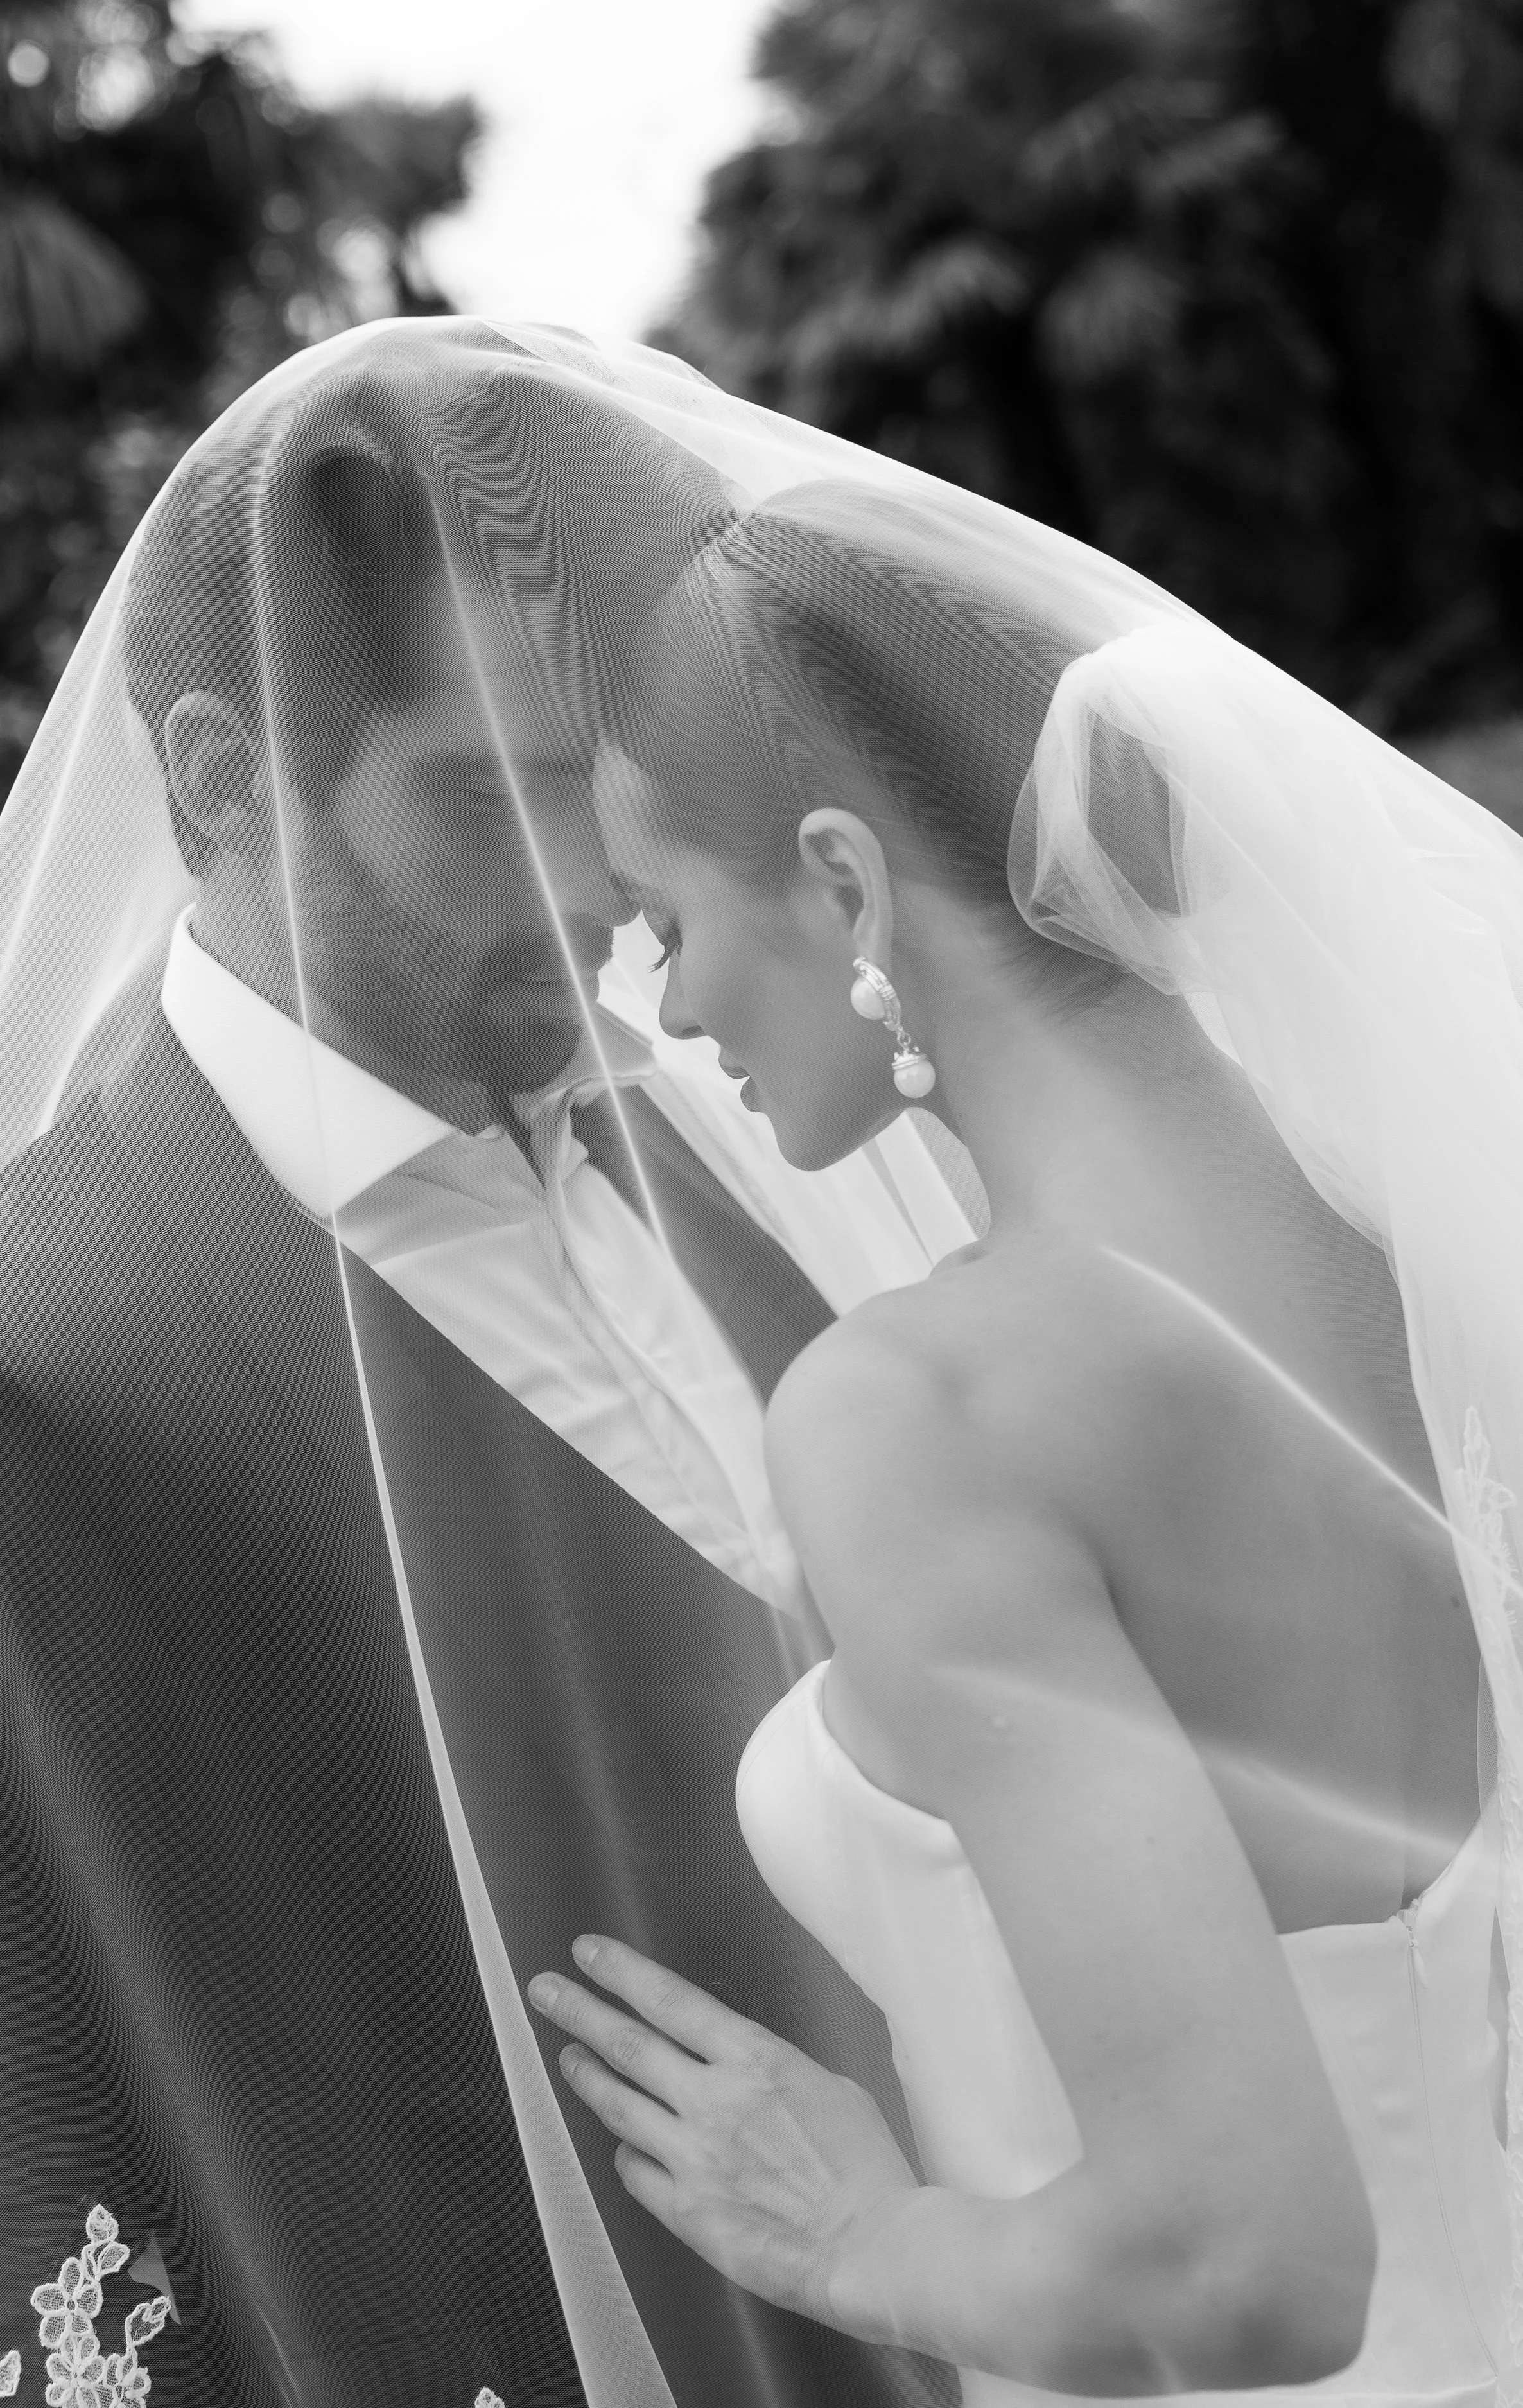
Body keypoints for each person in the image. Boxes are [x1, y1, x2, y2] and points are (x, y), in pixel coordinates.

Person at [0, 338, 971, 2407]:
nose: (596, 881)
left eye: (620, 773)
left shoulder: (741, 1148)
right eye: (489, 790)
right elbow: (12, 2149)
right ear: (221, 778)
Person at [532, 478, 1518, 2401]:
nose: (665, 1004)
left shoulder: (926, 1415)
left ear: (843, 883)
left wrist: (858, 2236)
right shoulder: (1404, 1218)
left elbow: (1245, 2267)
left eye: (664, 920)